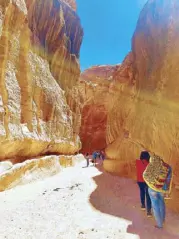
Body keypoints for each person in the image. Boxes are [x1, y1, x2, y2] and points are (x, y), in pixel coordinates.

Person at [143, 154, 172, 229]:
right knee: (162, 203)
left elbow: (145, 176)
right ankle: (163, 220)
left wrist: (150, 184)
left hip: (152, 190)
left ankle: (159, 225)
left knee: (155, 206)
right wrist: (166, 189)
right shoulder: (167, 167)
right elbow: (168, 180)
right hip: (162, 189)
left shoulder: (152, 166)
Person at [136, 151, 152, 217]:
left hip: (140, 181)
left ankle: (143, 205)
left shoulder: (137, 162)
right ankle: (149, 212)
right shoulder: (149, 163)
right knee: (148, 195)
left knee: (142, 192)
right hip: (147, 181)